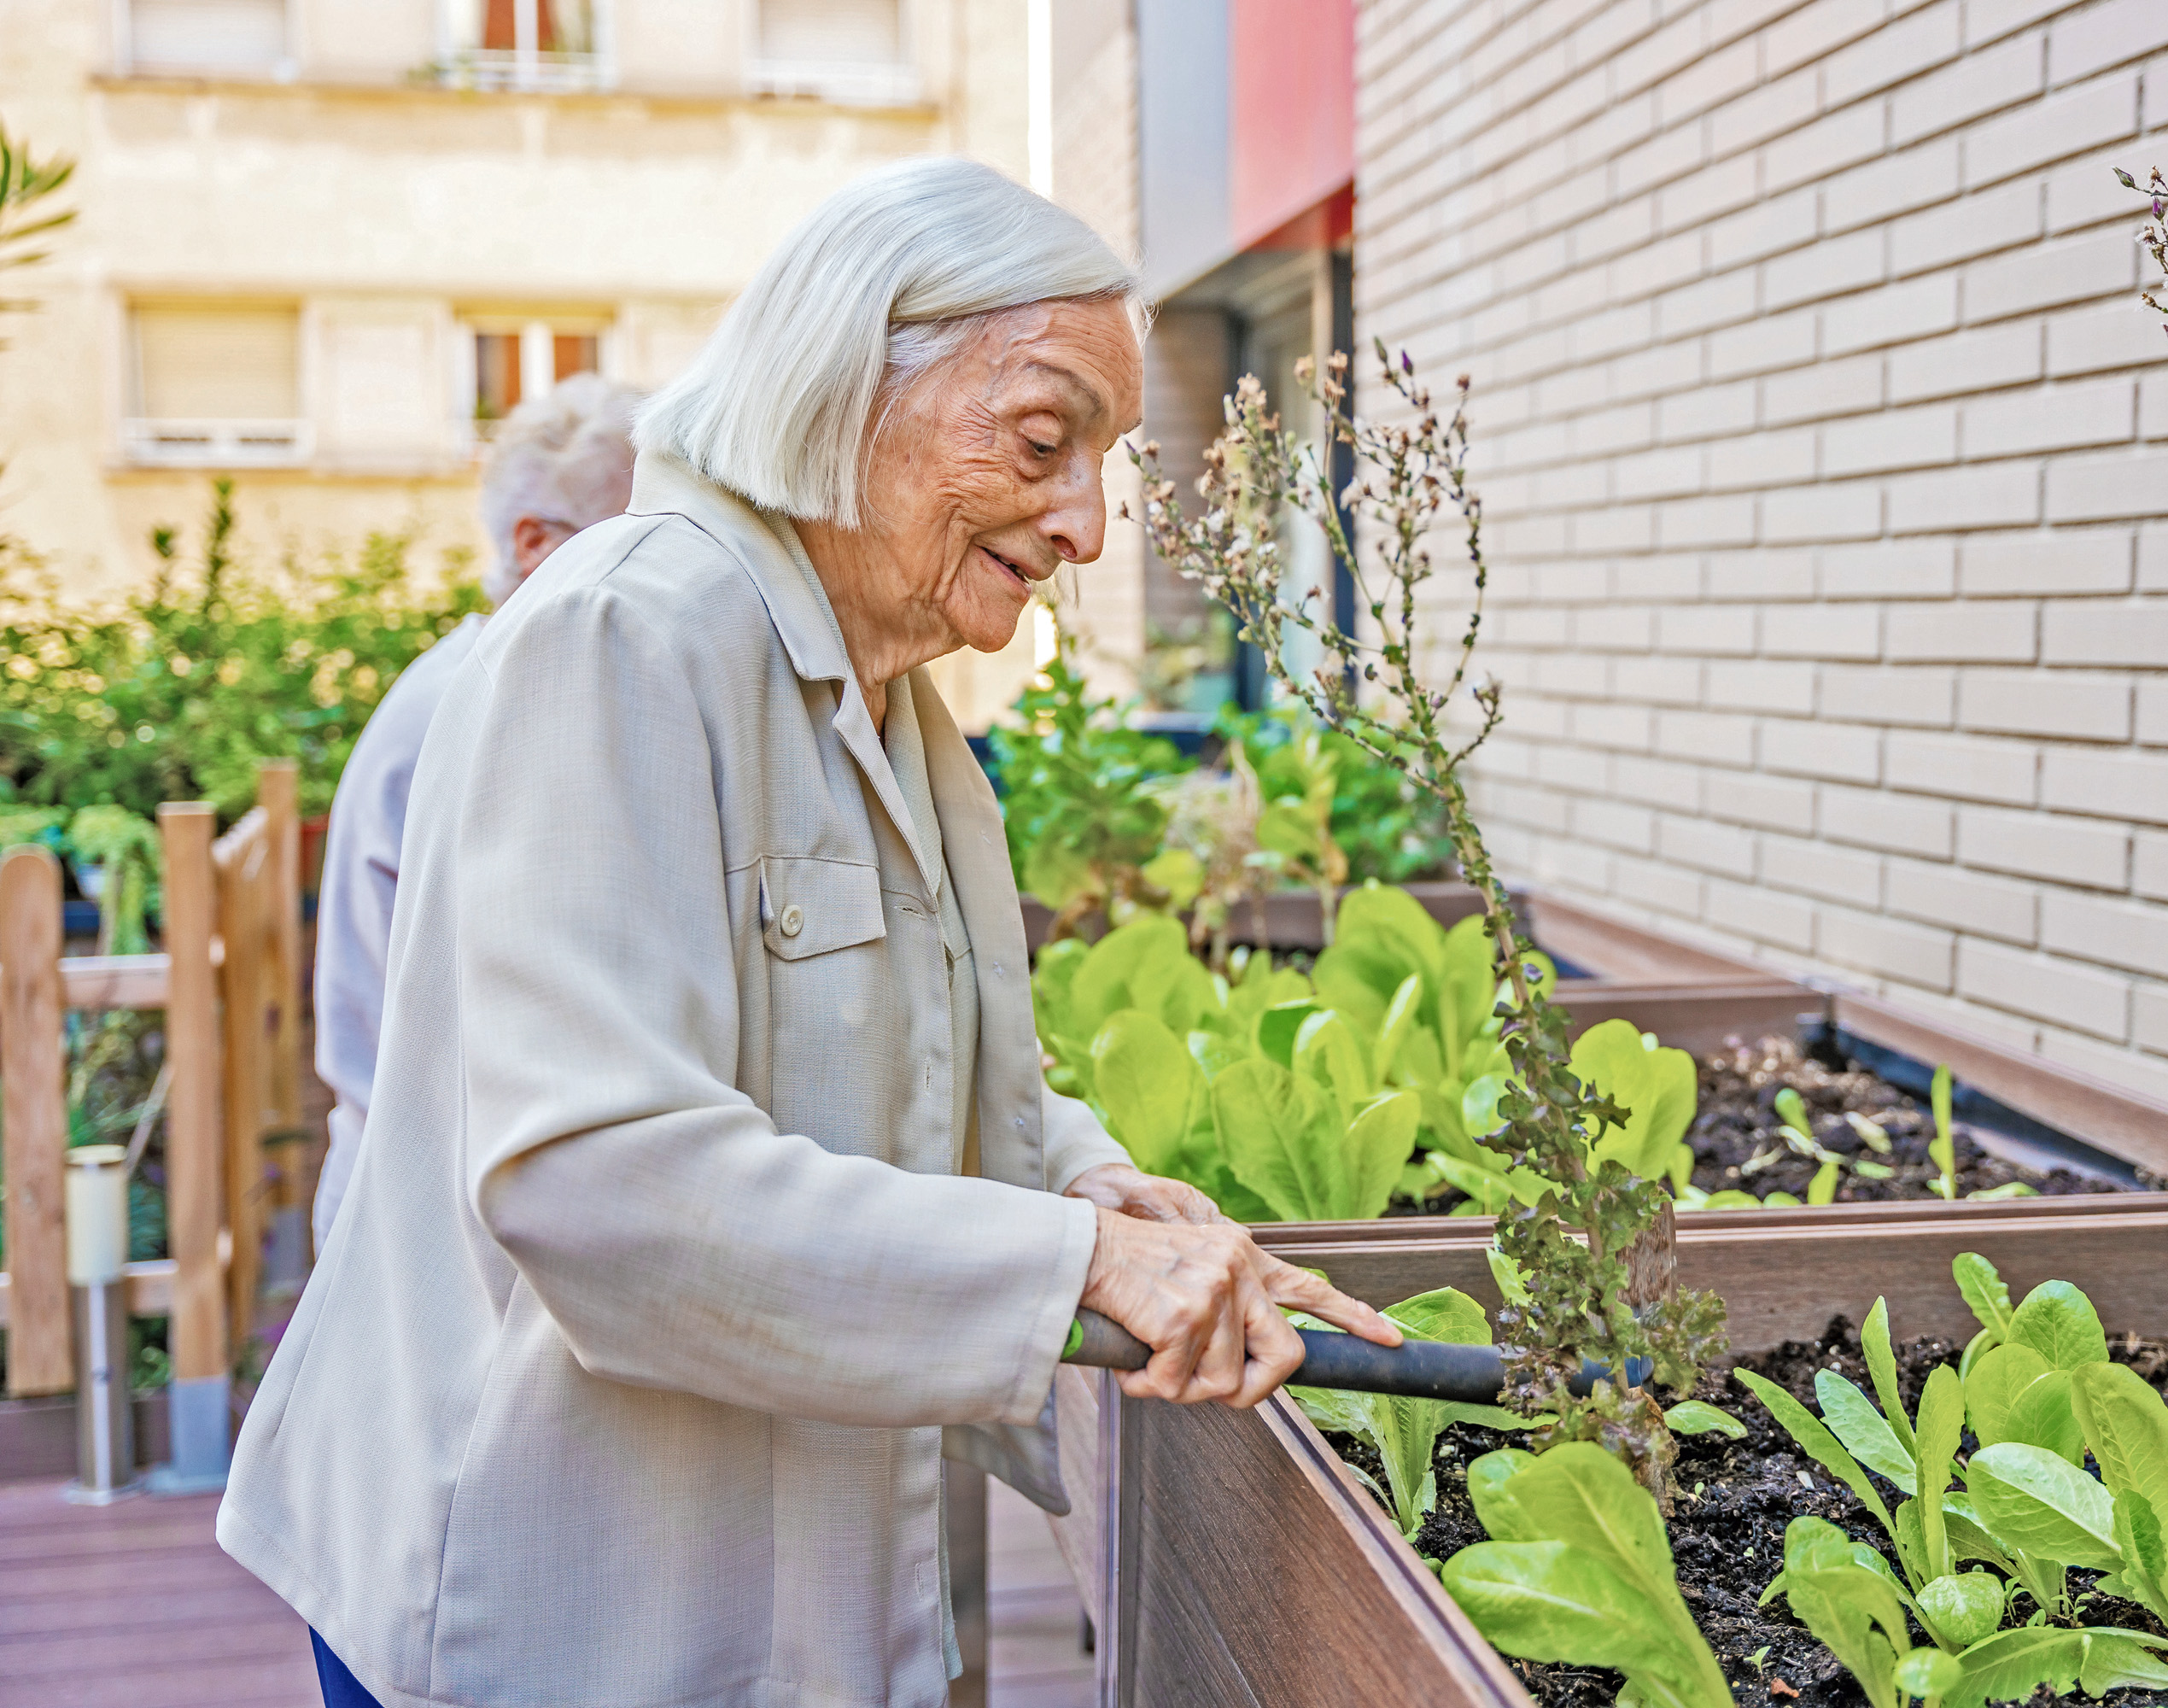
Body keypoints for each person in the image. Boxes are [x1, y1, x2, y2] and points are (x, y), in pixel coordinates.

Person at [218, 156, 1397, 1708]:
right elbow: (594, 1178)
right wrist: (1081, 1263)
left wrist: (1097, 1189)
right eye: (1043, 441)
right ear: (848, 385)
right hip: (534, 1597)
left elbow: (913, 1062)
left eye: (1100, 464)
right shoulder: (626, 634)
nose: (1087, 528)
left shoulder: (878, 690)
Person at [308, 373, 643, 1255]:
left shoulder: (485, 681)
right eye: (636, 540)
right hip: (425, 1206)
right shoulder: (492, 706)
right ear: (534, 544)